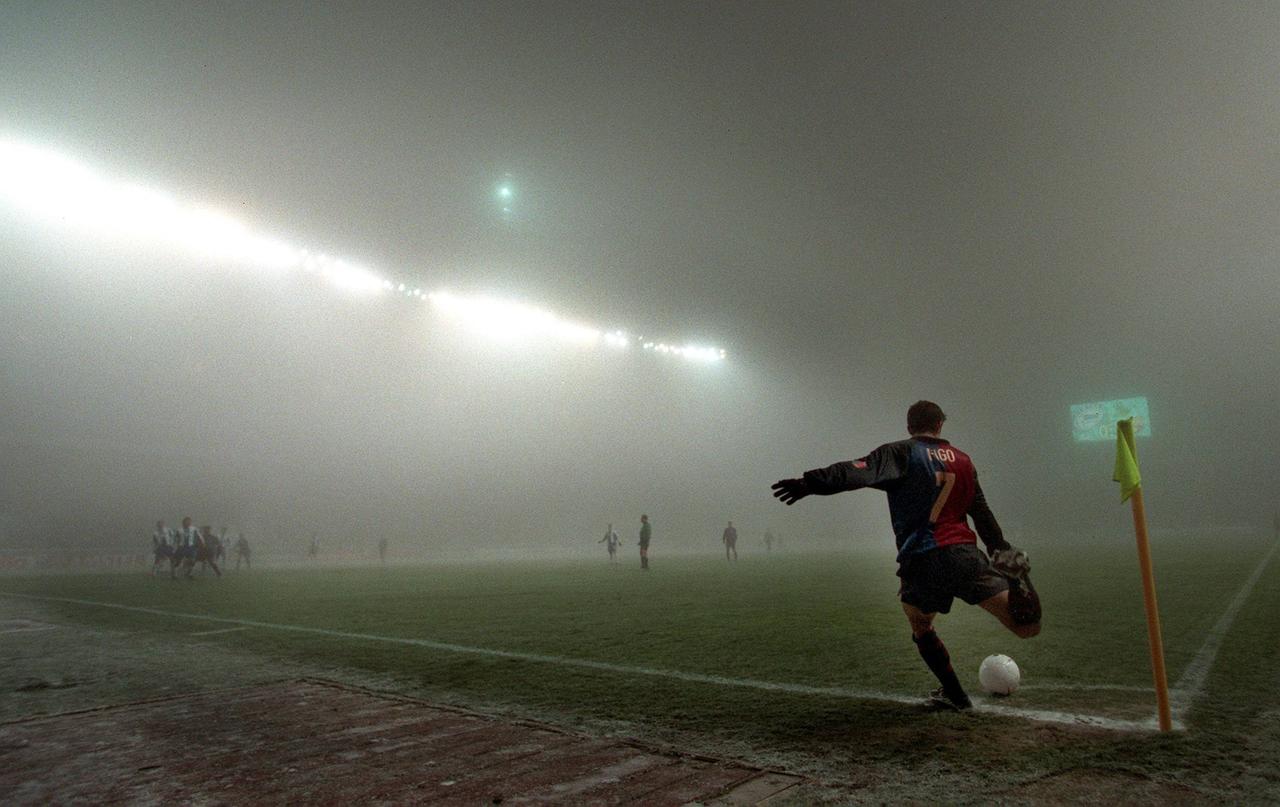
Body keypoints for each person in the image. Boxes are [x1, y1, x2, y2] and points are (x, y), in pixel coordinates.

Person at [771, 400, 1041, 711]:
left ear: (909, 427)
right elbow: (981, 512)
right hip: (966, 556)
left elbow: (857, 473)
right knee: (1026, 627)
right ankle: (1021, 583)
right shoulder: (964, 461)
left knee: (921, 624)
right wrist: (1001, 550)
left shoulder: (901, 452)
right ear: (940, 425)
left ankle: (955, 696)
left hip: (923, 558)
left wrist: (810, 483)